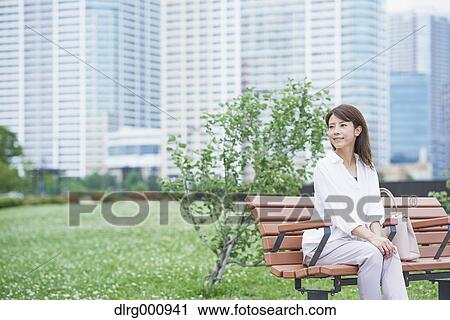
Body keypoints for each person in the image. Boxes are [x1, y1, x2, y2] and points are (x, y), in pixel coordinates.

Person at [302, 104, 408, 300]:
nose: (335, 132)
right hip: (324, 244)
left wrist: (380, 240)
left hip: (356, 243)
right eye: (331, 126)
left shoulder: (367, 166)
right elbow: (339, 213)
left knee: (389, 253)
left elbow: (374, 209)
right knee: (372, 253)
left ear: (357, 130)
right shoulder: (325, 167)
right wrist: (373, 240)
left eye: (342, 125)